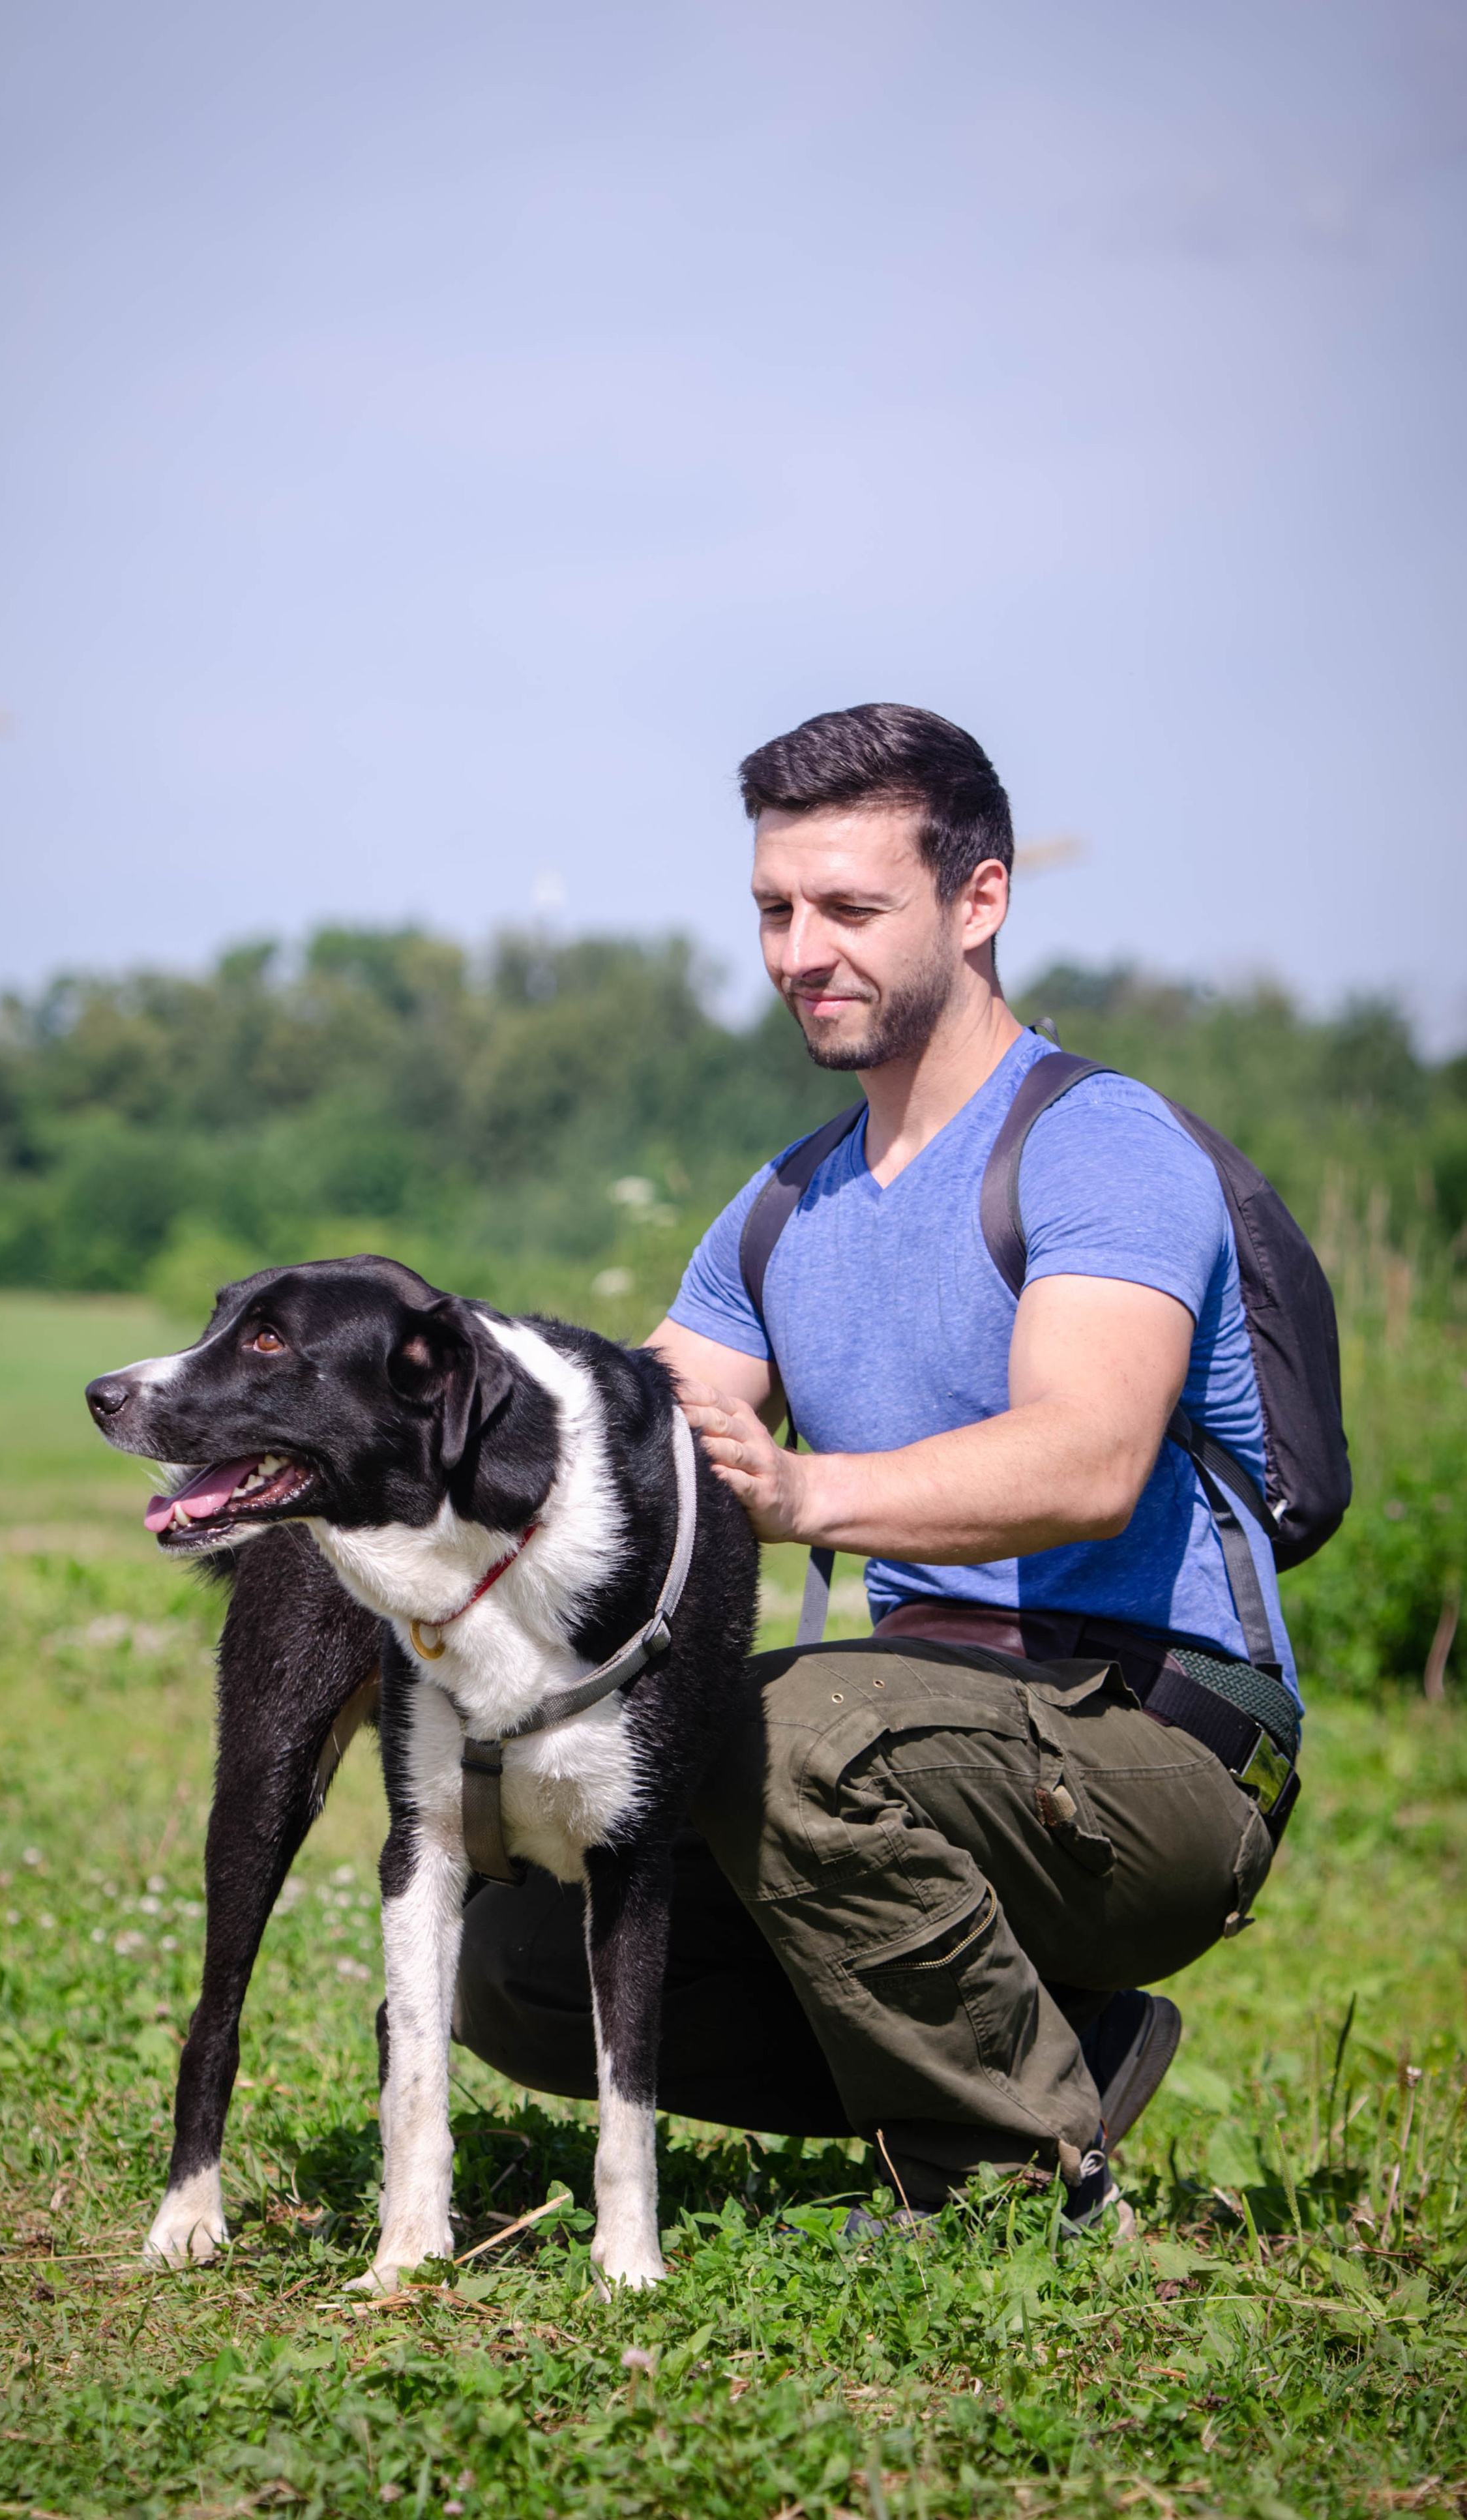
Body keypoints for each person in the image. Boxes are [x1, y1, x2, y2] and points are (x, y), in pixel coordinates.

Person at [454, 702, 1294, 2231]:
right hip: (920, 1735)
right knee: (518, 1960)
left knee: (779, 1729)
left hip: (1156, 1736)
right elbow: (628, 1446)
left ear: (978, 901)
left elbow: (1089, 1459)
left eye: (849, 907)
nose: (797, 951)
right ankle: (1053, 2061)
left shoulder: (1097, 1144)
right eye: (773, 908)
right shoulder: (780, 1208)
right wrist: (409, 1445)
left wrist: (805, 1495)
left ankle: (1007, 2178)